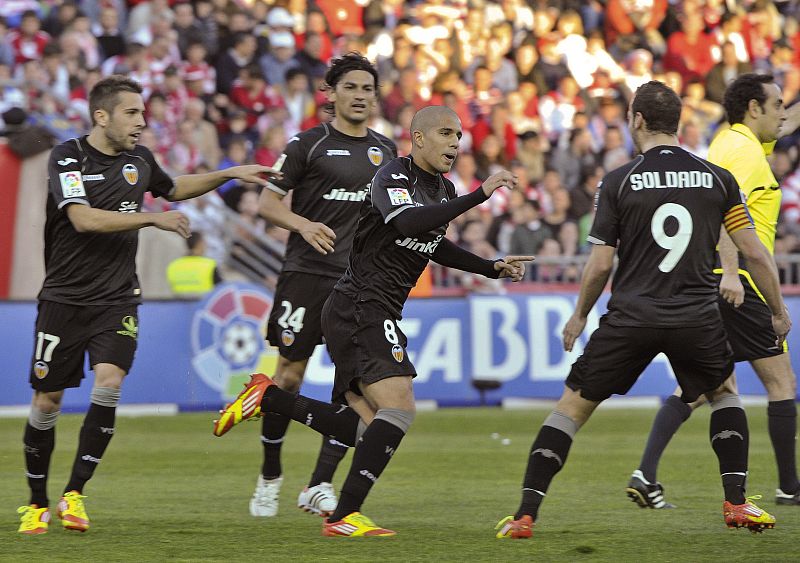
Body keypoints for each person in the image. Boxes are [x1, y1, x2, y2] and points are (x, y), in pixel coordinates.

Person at [214, 105, 533, 537]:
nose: (456, 143)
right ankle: (345, 516)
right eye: (445, 133)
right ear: (418, 138)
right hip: (360, 304)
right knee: (399, 409)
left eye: (459, 135)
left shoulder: (442, 188)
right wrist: (478, 195)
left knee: (367, 427)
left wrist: (490, 267)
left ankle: (269, 399)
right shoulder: (392, 178)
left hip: (371, 308)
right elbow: (407, 220)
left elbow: (433, 244)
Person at [495, 81, 791, 540]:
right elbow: (754, 251)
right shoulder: (717, 177)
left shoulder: (618, 180)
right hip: (695, 315)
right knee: (725, 394)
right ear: (676, 122)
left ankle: (525, 515)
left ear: (636, 120)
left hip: (631, 316)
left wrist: (579, 315)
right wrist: (777, 309)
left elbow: (600, 264)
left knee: (570, 409)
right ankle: (736, 504)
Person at [16, 75, 281, 535]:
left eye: (143, 112)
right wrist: (151, 220)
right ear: (102, 116)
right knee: (48, 400)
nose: (143, 121)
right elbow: (81, 219)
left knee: (110, 381)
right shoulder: (68, 156)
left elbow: (174, 187)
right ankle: (36, 502)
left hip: (117, 298)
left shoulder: (140, 160)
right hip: (63, 298)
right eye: (132, 113)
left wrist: (229, 174)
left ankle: (74, 494)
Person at [628, 73, 800, 509]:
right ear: (753, 109)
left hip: (713, 280)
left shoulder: (737, 142)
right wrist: (728, 271)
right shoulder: (741, 152)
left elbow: (783, 126)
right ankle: (789, 487)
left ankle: (645, 473)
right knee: (780, 381)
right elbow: (727, 212)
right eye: (777, 104)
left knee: (705, 387)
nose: (783, 113)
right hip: (738, 280)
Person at [245, 53, 396, 520]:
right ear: (330, 94)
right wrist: (304, 225)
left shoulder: (386, 152)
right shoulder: (307, 144)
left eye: (367, 89)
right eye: (350, 87)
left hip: (358, 286)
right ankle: (270, 476)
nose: (360, 96)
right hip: (306, 276)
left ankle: (318, 485)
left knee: (355, 390)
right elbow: (266, 205)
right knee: (288, 374)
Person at [166, 231, 221, 297]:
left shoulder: (173, 266)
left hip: (180, 305)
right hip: (203, 305)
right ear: (199, 244)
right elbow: (221, 289)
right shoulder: (209, 265)